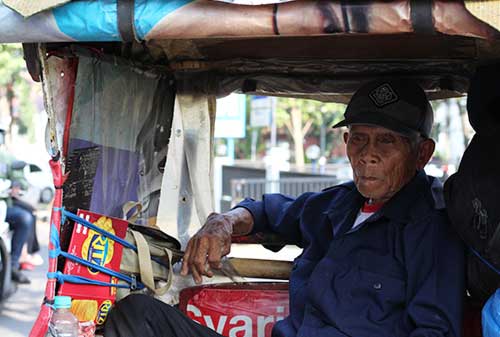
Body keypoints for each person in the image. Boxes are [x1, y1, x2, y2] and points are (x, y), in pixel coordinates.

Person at [105, 78, 465, 337]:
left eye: (387, 141)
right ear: (346, 142)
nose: (368, 154)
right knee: (137, 316)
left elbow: (435, 329)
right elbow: (265, 212)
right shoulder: (338, 205)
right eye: (359, 138)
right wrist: (223, 223)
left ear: (422, 154)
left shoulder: (431, 226)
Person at [0, 128, 34, 284]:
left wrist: (16, 185)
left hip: (3, 206)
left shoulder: (6, 159)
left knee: (25, 218)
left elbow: (21, 181)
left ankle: (13, 265)